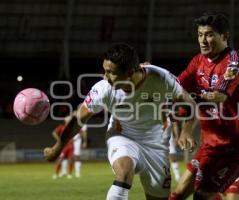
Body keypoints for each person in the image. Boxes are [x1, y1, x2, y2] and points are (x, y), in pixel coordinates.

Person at [44, 43, 197, 200]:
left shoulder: (161, 78)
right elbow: (78, 120)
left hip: (157, 144)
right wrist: (57, 148)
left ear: (130, 72)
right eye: (104, 71)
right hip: (123, 136)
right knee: (124, 172)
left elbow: (189, 103)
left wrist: (186, 130)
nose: (105, 77)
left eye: (111, 73)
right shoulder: (103, 89)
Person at [169, 11, 239, 200]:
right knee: (178, 193)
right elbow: (174, 87)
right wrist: (151, 74)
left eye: (210, 34)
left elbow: (218, 96)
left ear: (224, 36)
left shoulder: (236, 60)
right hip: (211, 144)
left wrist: (191, 97)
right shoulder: (198, 61)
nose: (203, 40)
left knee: (203, 195)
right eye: (200, 34)